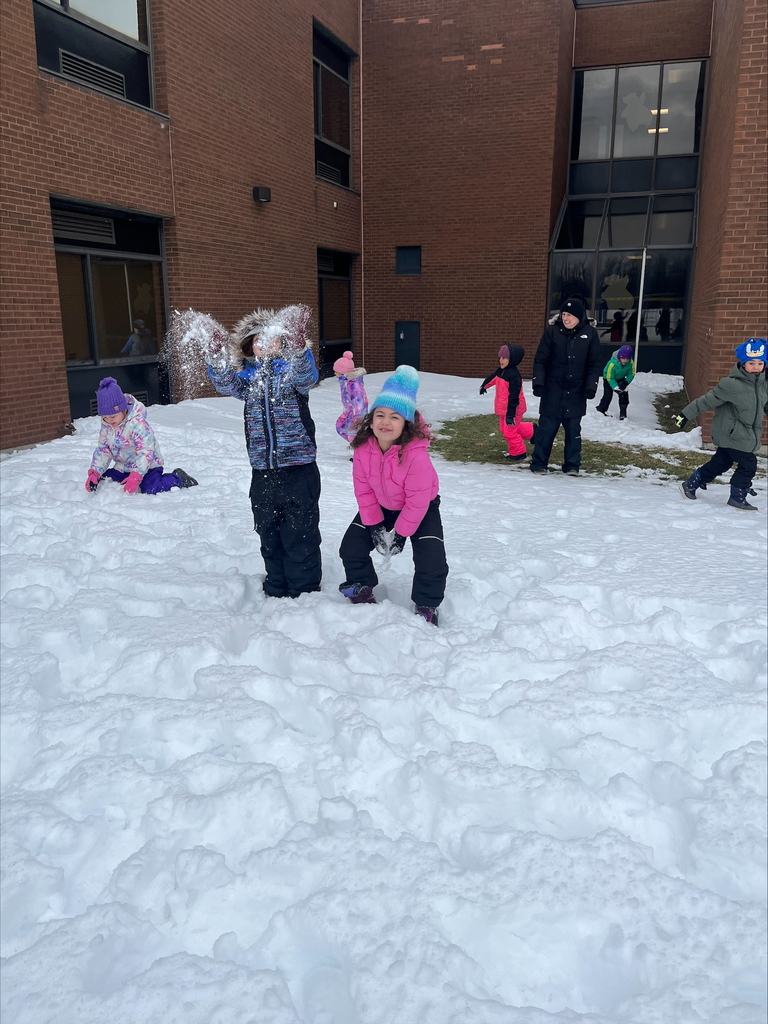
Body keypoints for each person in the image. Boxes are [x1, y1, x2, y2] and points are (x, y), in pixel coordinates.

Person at [205, 305, 322, 598]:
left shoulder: (293, 377)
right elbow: (225, 383)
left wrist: (298, 347)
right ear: (249, 347)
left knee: (299, 533)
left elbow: (308, 375)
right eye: (258, 340)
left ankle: (304, 590)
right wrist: (216, 356)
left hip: (298, 470)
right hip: (262, 472)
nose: (264, 344)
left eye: (271, 339)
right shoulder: (250, 381)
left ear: (283, 343)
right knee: (268, 531)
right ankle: (276, 585)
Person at [338, 365, 448, 626]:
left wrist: (401, 532)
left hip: (421, 507)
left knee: (431, 556)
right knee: (351, 546)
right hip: (380, 504)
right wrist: (375, 525)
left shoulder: (416, 455)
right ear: (371, 419)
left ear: (406, 423)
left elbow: (418, 500)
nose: (385, 422)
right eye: (380, 415)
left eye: (395, 417)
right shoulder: (363, 449)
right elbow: (363, 491)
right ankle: (360, 586)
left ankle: (427, 604)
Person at [676, 338, 767, 512]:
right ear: (743, 363)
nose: (756, 366)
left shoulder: (763, 384)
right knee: (748, 464)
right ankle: (737, 496)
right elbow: (706, 401)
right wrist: (684, 415)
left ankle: (691, 484)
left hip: (744, 435)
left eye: (760, 362)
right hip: (731, 433)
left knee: (721, 462)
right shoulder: (731, 384)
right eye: (751, 362)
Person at [85, 377, 197, 494]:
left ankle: (178, 478)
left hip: (148, 466)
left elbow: (145, 451)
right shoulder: (107, 426)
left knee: (150, 487)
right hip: (124, 467)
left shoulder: (137, 423)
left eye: (112, 417)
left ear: (123, 409)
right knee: (105, 480)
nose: (108, 420)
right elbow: (103, 450)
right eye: (105, 417)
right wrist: (95, 473)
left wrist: (136, 476)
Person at [530, 298, 602, 476]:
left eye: (569, 315)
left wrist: (590, 386)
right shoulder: (552, 333)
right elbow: (541, 360)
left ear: (578, 316)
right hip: (552, 391)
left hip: (576, 393)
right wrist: (539, 382)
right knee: (546, 430)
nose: (565, 318)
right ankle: (539, 463)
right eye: (563, 314)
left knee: (573, 432)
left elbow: (594, 364)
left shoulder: (590, 334)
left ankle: (572, 465)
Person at [479, 344, 535, 461]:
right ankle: (533, 430)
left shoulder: (515, 377)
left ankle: (519, 453)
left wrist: (511, 415)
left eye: (504, 358)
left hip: (513, 410)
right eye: (500, 357)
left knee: (509, 433)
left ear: (513, 359)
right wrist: (484, 386)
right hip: (504, 409)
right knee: (505, 429)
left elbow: (514, 398)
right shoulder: (502, 371)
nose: (501, 360)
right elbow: (493, 378)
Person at [333, 350, 369, 442]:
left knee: (354, 434)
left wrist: (358, 416)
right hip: (349, 412)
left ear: (342, 372)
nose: (335, 373)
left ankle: (359, 453)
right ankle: (358, 449)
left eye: (336, 371)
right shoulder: (345, 383)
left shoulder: (353, 385)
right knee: (340, 426)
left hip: (357, 415)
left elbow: (359, 401)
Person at [597, 344, 635, 420]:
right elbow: (610, 377)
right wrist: (615, 387)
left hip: (620, 378)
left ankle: (623, 414)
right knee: (608, 396)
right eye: (623, 358)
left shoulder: (630, 363)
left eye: (627, 359)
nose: (625, 361)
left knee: (624, 395)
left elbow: (632, 373)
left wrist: (626, 382)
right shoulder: (612, 364)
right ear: (620, 357)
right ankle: (601, 410)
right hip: (608, 379)